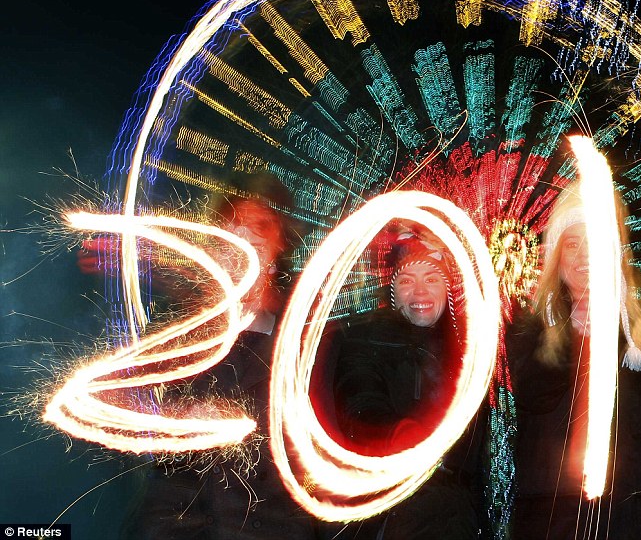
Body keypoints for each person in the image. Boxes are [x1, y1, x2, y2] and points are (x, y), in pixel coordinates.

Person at [115, 172, 322, 539]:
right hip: (180, 525)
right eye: (228, 245)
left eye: (254, 245)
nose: (238, 260)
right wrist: (176, 419)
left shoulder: (306, 343)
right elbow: (123, 407)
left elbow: (328, 443)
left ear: (276, 257)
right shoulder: (177, 330)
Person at [506, 186, 641, 539]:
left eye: (594, 240)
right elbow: (533, 396)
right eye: (571, 243)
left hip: (636, 520)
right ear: (556, 257)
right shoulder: (527, 334)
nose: (584, 256)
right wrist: (571, 327)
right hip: (554, 521)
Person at [311, 225, 485, 539]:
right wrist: (399, 434)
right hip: (391, 517)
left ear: (448, 286)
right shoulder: (366, 341)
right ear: (391, 289)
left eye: (431, 279)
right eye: (406, 281)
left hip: (458, 519)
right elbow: (359, 397)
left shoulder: (472, 351)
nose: (420, 293)